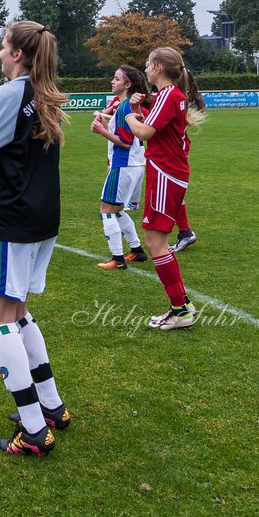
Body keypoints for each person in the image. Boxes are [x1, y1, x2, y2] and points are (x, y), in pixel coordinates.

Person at [0, 21, 70, 456]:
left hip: (13, 218)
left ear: (18, 54)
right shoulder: (47, 92)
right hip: (44, 218)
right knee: (19, 310)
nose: (0, 54)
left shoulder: (11, 93)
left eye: (3, 47)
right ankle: (52, 406)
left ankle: (36, 430)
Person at [124, 46, 206, 330]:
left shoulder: (169, 94)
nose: (145, 68)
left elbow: (145, 131)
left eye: (148, 63)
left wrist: (129, 116)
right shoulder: (170, 95)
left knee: (155, 243)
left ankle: (181, 310)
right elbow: (155, 125)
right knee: (155, 242)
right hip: (169, 172)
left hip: (165, 173)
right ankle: (181, 306)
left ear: (158, 67)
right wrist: (137, 111)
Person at [90, 66, 148, 269]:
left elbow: (124, 142)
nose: (112, 82)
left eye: (116, 79)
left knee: (106, 210)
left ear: (128, 84)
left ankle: (117, 259)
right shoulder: (125, 106)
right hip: (134, 165)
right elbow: (126, 138)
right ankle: (137, 250)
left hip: (123, 165)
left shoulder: (124, 107)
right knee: (117, 209)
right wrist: (105, 128)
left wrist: (101, 131)